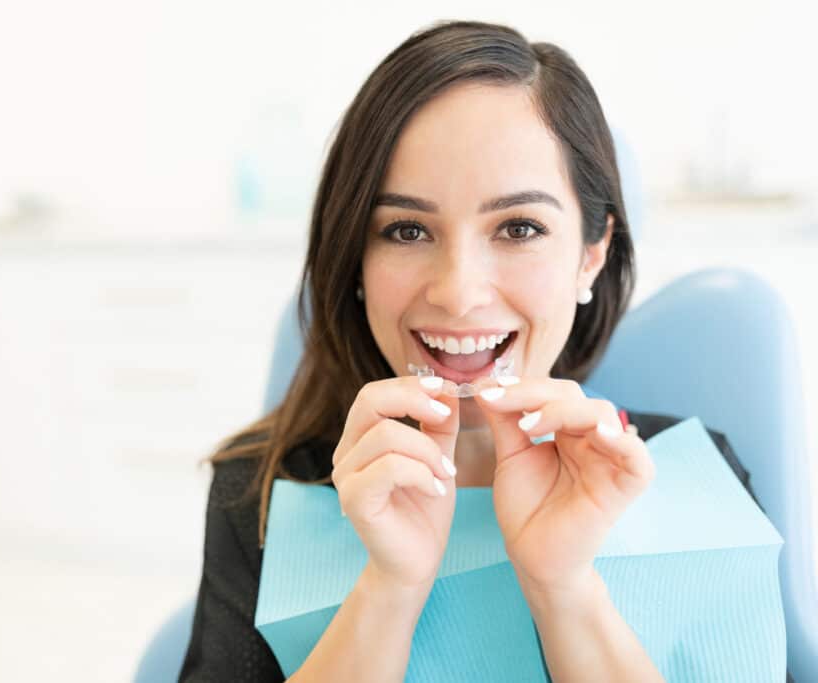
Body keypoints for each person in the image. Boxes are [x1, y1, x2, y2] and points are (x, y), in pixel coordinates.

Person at [179, 19, 789, 682]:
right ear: (355, 257)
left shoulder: (699, 479)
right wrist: (388, 591)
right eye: (407, 229)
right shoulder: (260, 492)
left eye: (519, 227)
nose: (460, 293)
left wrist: (565, 589)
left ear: (592, 252)